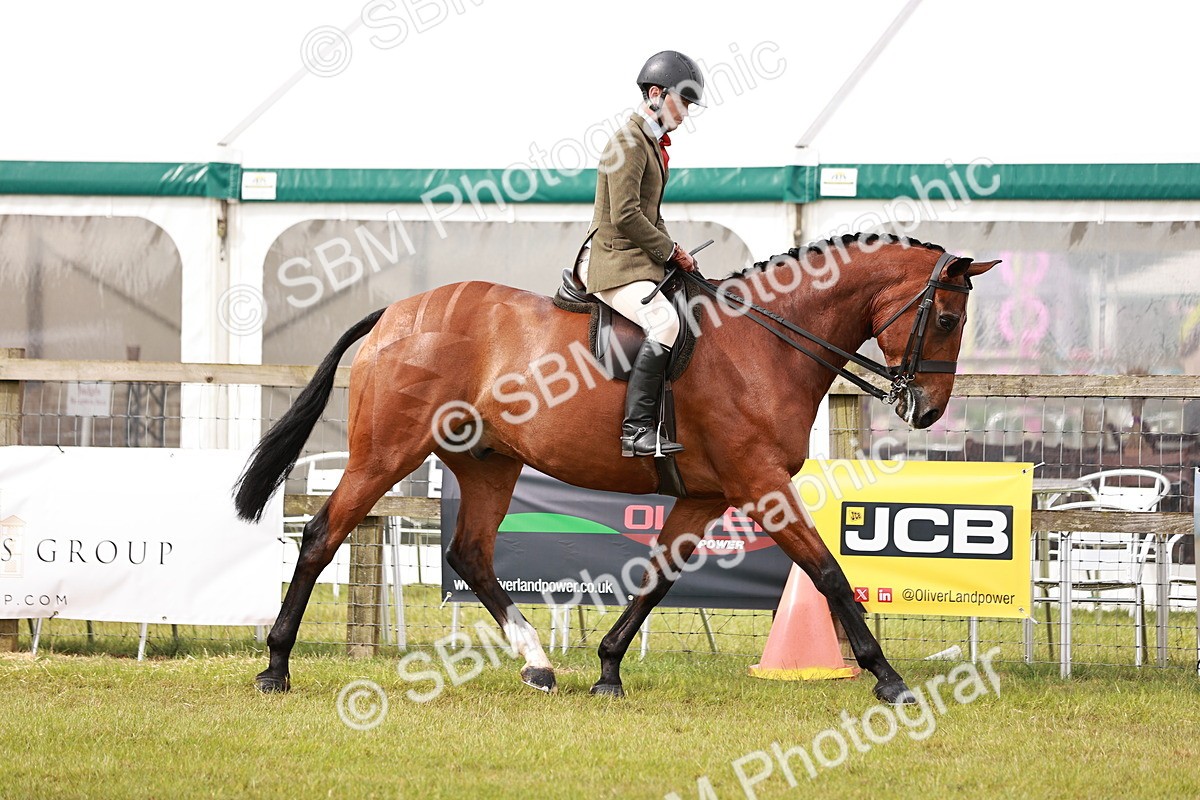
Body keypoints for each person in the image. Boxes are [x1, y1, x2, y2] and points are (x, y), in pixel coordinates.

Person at [574, 50, 705, 458]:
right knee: (664, 324)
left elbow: (652, 213)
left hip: (635, 258)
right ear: (655, 93)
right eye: (681, 102)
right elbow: (627, 215)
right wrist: (669, 251)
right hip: (612, 262)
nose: (684, 115)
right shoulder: (628, 142)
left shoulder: (649, 143)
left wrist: (679, 255)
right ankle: (636, 431)